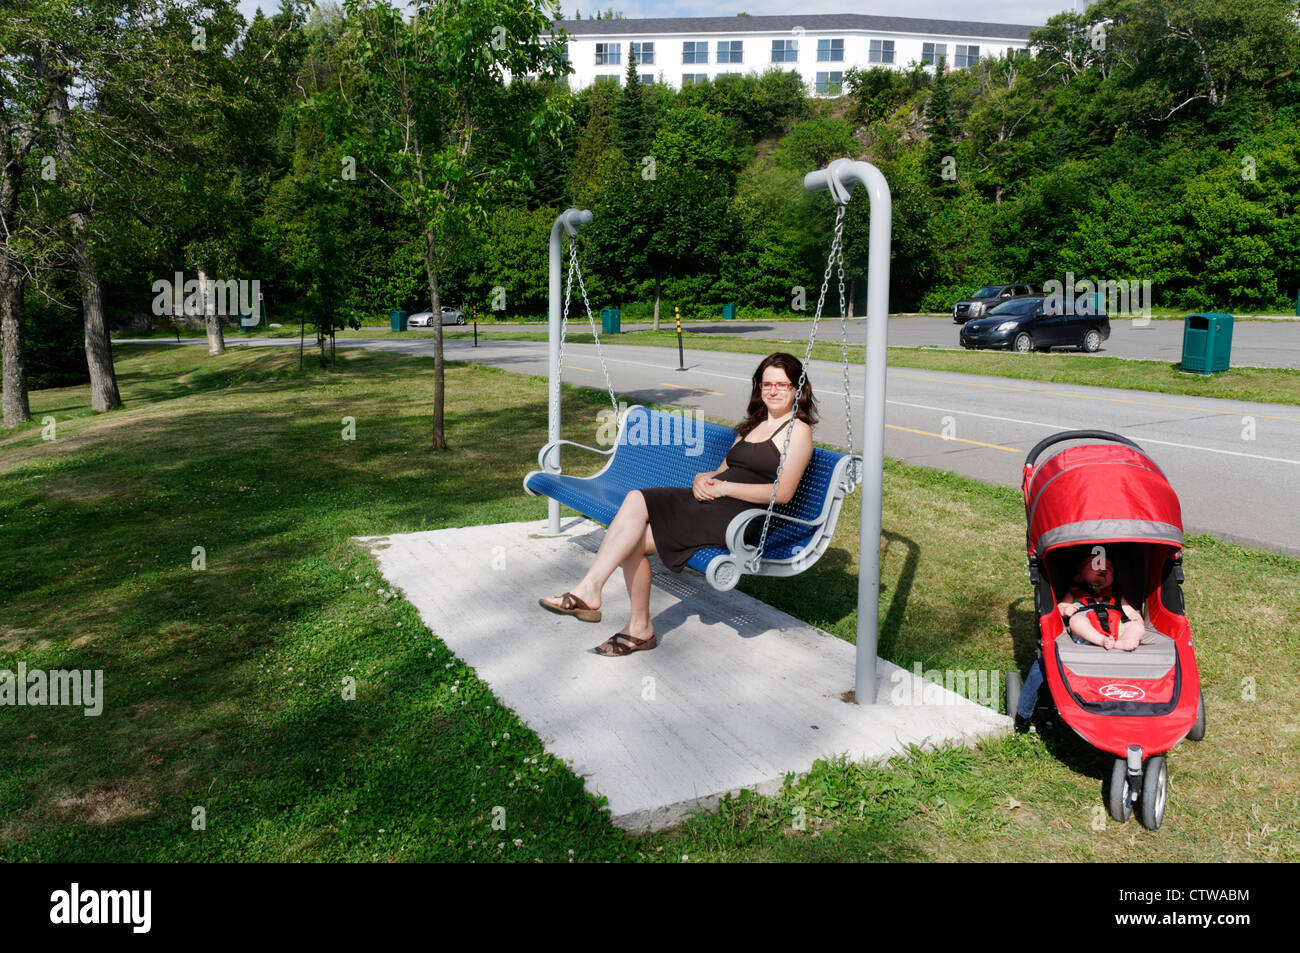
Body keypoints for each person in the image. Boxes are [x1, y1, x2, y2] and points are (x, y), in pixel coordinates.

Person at [539, 352, 817, 657]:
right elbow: (724, 468)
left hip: (741, 517)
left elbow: (783, 492)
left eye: (782, 384)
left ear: (797, 388)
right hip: (715, 501)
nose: (773, 390)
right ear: (759, 387)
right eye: (767, 384)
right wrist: (705, 478)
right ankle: (631, 622)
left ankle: (601, 601)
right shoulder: (753, 424)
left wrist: (723, 487)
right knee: (634, 509)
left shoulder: (798, 432)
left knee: (631, 530)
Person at [1016, 549, 1144, 723]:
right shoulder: (1075, 592)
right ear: (1079, 576)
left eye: (1109, 568)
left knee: (1136, 624)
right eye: (1096, 565)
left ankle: (1123, 642)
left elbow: (1129, 611)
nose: (1103, 568)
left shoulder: (1116, 595)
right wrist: (1065, 610)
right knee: (1077, 620)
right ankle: (1101, 641)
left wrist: (1135, 618)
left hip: (1116, 633)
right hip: (1087, 637)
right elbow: (1060, 608)